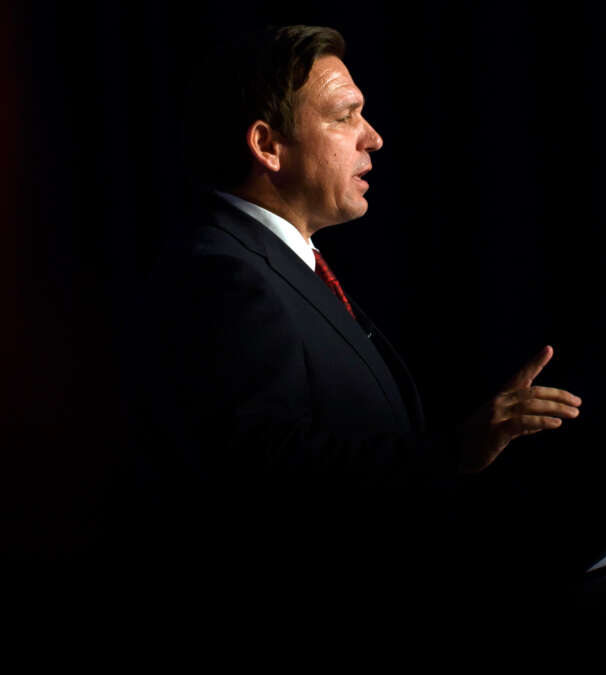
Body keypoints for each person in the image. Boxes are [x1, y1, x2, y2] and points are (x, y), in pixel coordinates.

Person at [132, 25, 582, 607]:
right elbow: (268, 478)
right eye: (345, 116)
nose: (373, 138)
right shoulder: (224, 274)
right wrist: (452, 451)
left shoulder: (286, 265)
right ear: (268, 145)